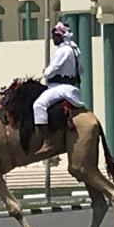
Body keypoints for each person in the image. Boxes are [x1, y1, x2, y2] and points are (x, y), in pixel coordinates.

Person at [32, 22, 84, 154]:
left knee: (38, 105)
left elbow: (51, 70)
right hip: (70, 86)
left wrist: (45, 72)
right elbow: (81, 70)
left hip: (61, 87)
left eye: (55, 36)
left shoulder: (63, 51)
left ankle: (47, 141)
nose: (53, 38)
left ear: (61, 36)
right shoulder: (74, 49)